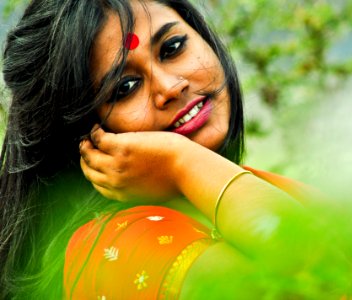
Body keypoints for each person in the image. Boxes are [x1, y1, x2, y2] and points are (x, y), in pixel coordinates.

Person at [0, 0, 310, 298]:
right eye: (125, 88)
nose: (170, 87)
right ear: (85, 138)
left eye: (172, 48)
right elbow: (321, 272)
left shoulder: (240, 190)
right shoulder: (119, 249)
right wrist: (181, 162)